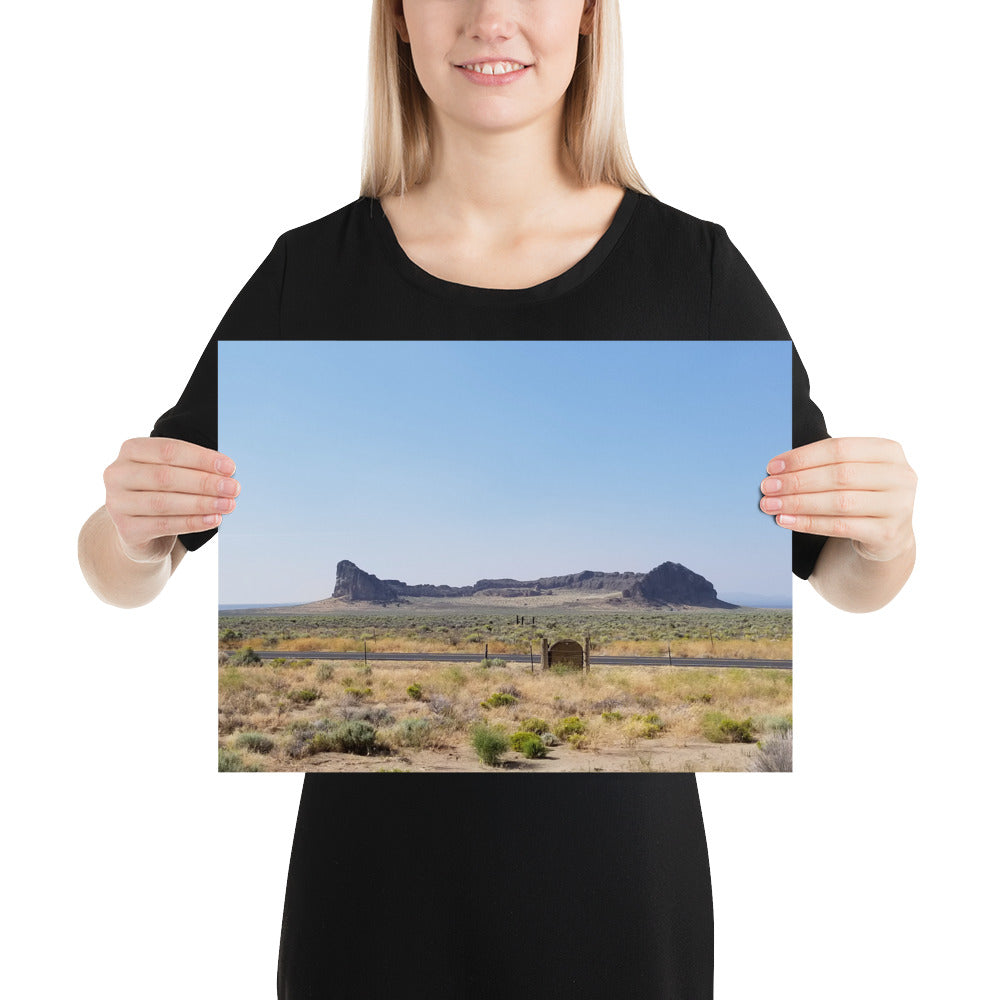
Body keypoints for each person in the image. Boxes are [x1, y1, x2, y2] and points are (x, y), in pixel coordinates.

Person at [78, 1, 917, 996]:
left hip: (620, 909)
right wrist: (130, 532)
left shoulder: (693, 274)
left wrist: (885, 532)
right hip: (369, 911)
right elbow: (121, 567)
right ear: (396, 19)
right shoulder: (310, 275)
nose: (491, 18)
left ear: (591, 18)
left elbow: (844, 575)